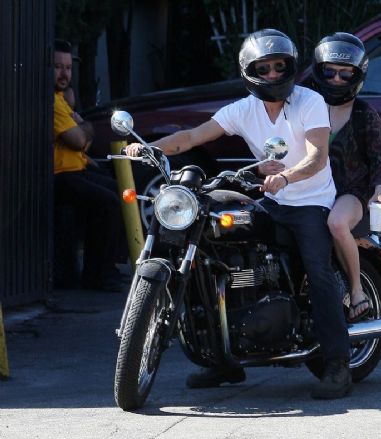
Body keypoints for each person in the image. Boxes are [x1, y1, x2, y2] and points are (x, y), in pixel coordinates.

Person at [126, 29, 352, 399]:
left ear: (291, 67)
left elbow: (317, 157)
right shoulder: (242, 109)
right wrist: (150, 148)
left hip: (311, 200)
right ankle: (222, 360)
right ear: (250, 71)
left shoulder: (310, 101)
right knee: (218, 252)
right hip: (271, 199)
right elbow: (194, 136)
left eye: (280, 67)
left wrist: (287, 176)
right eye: (264, 68)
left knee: (319, 271)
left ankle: (338, 364)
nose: (274, 74)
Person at [311, 32, 381, 321]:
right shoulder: (306, 106)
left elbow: (379, 161)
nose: (336, 79)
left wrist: (380, 190)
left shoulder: (364, 115)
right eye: (330, 72)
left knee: (336, 222)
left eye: (345, 74)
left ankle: (357, 291)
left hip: (350, 193)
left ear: (357, 76)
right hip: (307, 190)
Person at [53, 39, 125, 291]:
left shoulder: (62, 98)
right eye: (57, 67)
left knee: (120, 190)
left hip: (77, 168)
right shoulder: (53, 102)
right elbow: (78, 140)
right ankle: (98, 275)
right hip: (61, 174)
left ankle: (110, 265)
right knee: (108, 203)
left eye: (68, 68)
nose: (64, 73)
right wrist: (86, 127)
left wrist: (83, 129)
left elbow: (83, 142)